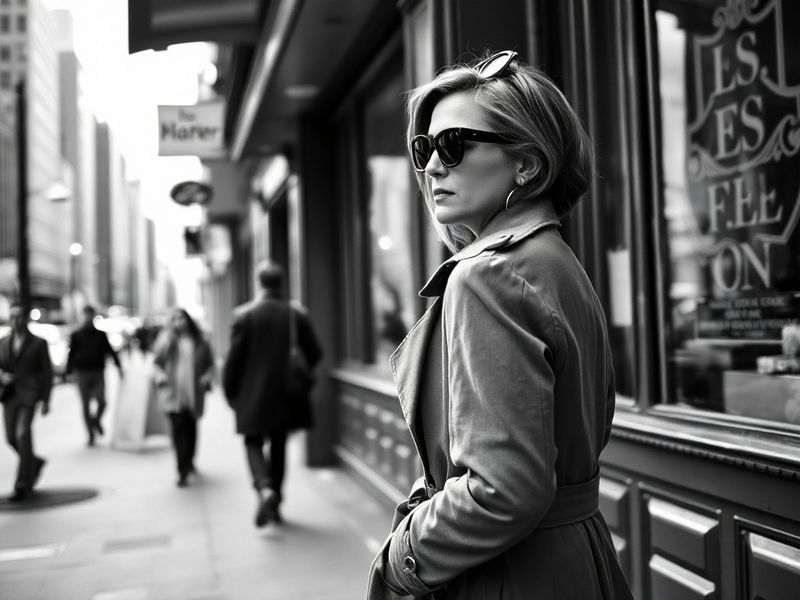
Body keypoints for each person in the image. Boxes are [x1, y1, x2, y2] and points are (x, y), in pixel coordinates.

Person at [366, 51, 634, 599]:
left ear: (526, 166)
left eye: (454, 145)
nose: (433, 166)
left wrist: (402, 558)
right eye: (424, 149)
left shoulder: (485, 277)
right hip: (577, 557)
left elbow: (501, 491)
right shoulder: (555, 261)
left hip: (511, 573)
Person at [223, 261, 323, 527]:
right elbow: (315, 352)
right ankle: (276, 503)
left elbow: (233, 361)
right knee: (278, 446)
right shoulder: (295, 314)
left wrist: (230, 392)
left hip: (252, 394)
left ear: (259, 283)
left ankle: (264, 487)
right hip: (286, 395)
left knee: (252, 441)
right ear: (281, 283)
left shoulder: (244, 315)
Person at [152, 308, 215, 488]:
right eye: (174, 319)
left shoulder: (200, 340)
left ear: (188, 319)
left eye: (180, 317)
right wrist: (160, 376)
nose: (178, 321)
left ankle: (190, 460)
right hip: (173, 395)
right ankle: (182, 470)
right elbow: (156, 363)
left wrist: (206, 378)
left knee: (191, 429)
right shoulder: (165, 340)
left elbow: (210, 365)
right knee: (179, 430)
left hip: (194, 393)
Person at [0, 303, 53, 502]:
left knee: (23, 435)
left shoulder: (38, 343)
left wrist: (47, 399)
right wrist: (2, 377)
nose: (15, 320)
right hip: (9, 396)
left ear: (27, 318)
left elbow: (47, 373)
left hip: (30, 396)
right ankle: (35, 462)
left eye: (19, 316)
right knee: (11, 438)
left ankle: (22, 484)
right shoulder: (3, 342)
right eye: (12, 317)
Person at [67, 305, 124, 446]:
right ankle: (90, 433)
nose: (87, 317)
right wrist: (68, 372)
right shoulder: (76, 335)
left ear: (93, 316)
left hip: (98, 371)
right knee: (85, 405)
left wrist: (119, 366)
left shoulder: (100, 334)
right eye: (85, 314)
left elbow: (110, 351)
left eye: (89, 315)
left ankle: (96, 421)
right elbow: (71, 354)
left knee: (102, 401)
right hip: (82, 372)